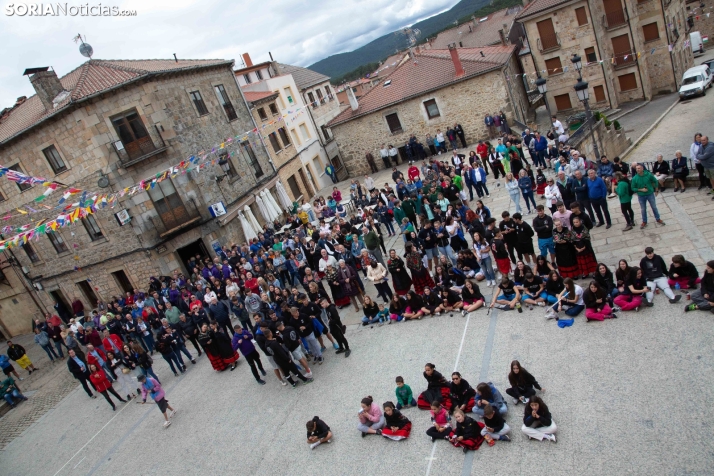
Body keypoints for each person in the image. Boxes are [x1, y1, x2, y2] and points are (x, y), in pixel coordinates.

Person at [630, 164, 664, 228]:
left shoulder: (648, 175)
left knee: (654, 207)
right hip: (641, 196)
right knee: (643, 209)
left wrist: (656, 190)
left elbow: (655, 181)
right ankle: (644, 221)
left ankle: (658, 219)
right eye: (637, 168)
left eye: (639, 168)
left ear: (642, 169)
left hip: (650, 194)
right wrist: (641, 190)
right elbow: (632, 188)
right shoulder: (635, 178)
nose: (638, 170)